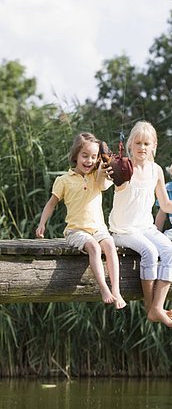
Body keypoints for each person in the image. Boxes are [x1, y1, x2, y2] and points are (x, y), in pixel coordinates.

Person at [108, 121, 172, 328]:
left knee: (170, 251)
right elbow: (109, 181)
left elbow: (165, 204)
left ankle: (157, 307)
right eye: (137, 143)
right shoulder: (125, 167)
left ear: (154, 145)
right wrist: (109, 171)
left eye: (146, 143)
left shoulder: (156, 170)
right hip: (122, 229)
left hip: (145, 227)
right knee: (150, 253)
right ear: (130, 145)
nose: (142, 148)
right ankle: (149, 306)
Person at [36, 132, 126, 310]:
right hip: (76, 231)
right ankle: (104, 289)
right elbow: (51, 203)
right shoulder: (63, 180)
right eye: (85, 156)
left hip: (98, 228)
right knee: (93, 247)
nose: (89, 160)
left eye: (94, 157)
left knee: (109, 245)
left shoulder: (96, 176)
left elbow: (106, 180)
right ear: (75, 155)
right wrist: (42, 223)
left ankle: (116, 289)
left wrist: (107, 166)